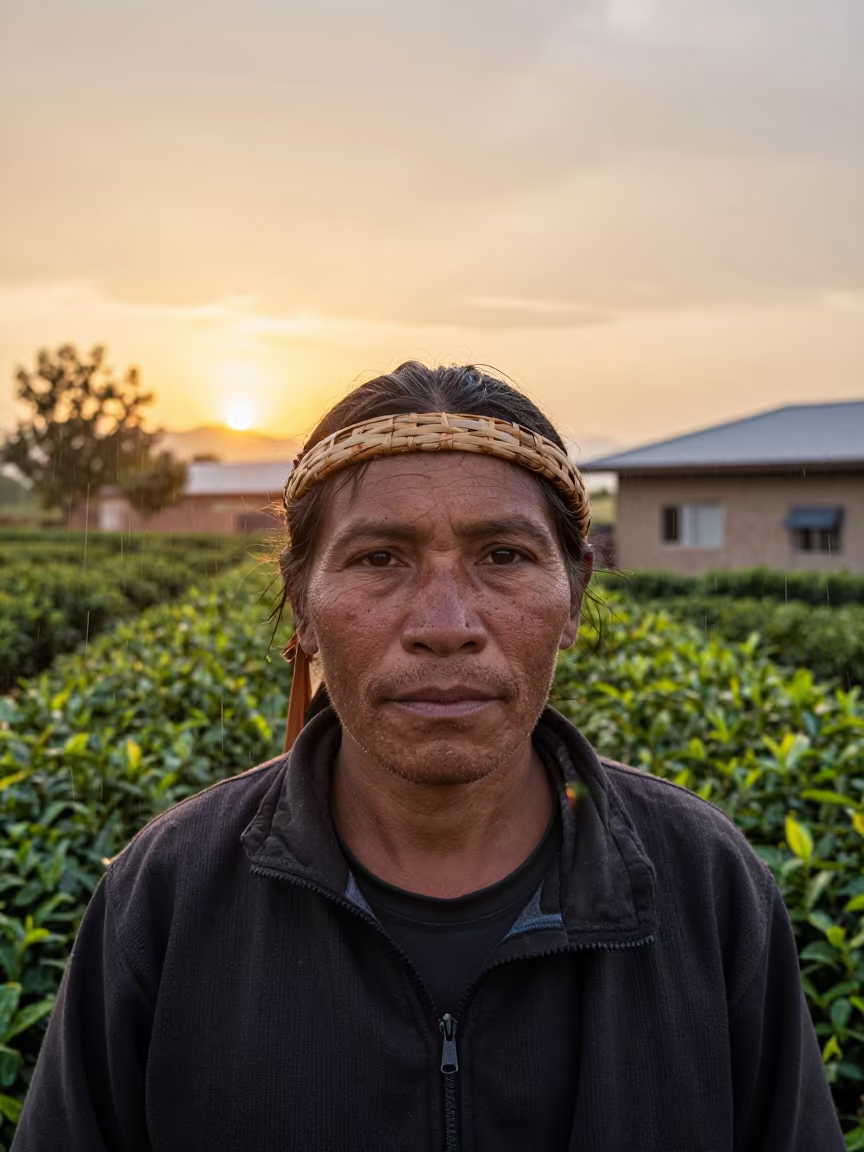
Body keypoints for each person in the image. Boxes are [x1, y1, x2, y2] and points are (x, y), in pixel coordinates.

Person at [14, 362, 845, 1151]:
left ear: (574, 597)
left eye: (503, 557)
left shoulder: (707, 888)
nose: (446, 623)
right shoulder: (163, 900)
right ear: (302, 602)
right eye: (380, 558)